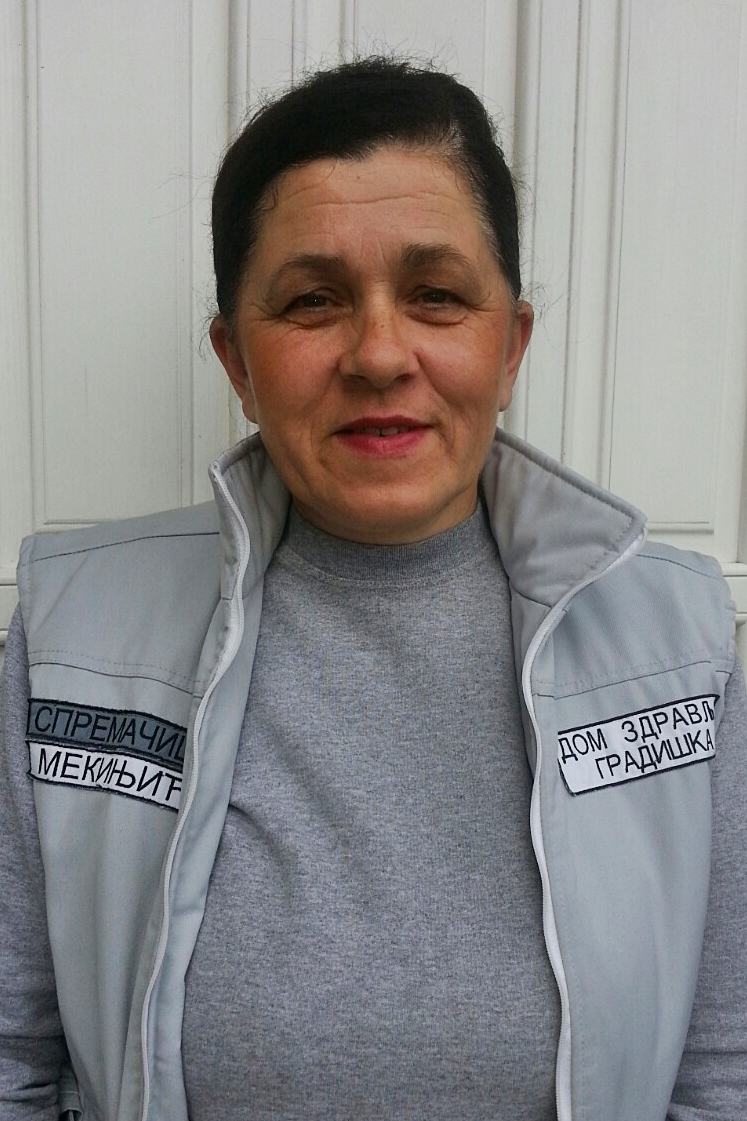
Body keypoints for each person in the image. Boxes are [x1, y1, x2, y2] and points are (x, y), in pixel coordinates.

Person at [0, 56, 745, 1121]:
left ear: (510, 344)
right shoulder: (77, 640)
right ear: (236, 361)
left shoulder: (674, 646)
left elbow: (722, 1071)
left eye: (437, 295)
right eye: (313, 301)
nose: (380, 353)